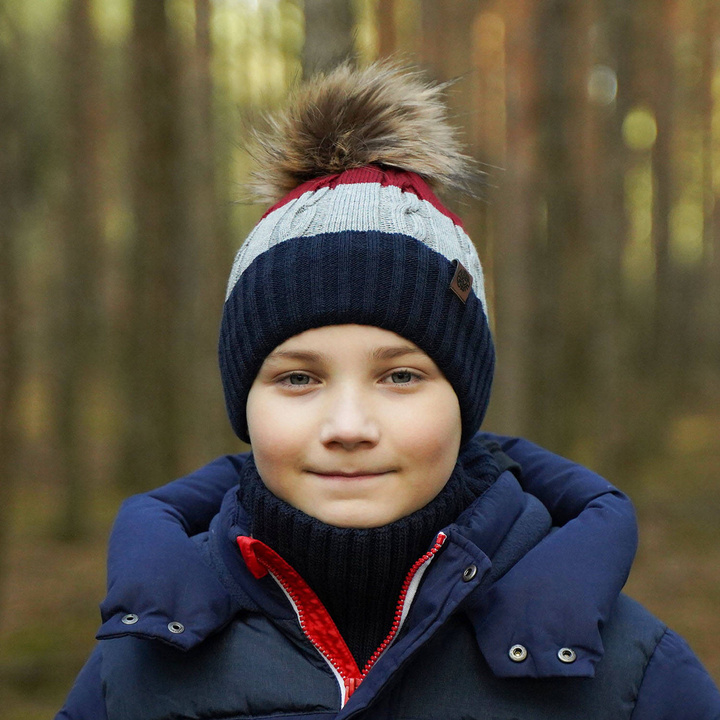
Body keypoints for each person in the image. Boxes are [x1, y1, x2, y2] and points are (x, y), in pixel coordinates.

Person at [56, 62, 720, 720]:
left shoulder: (633, 678)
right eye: (298, 378)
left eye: (400, 375)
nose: (348, 425)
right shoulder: (133, 674)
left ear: (464, 400)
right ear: (243, 403)